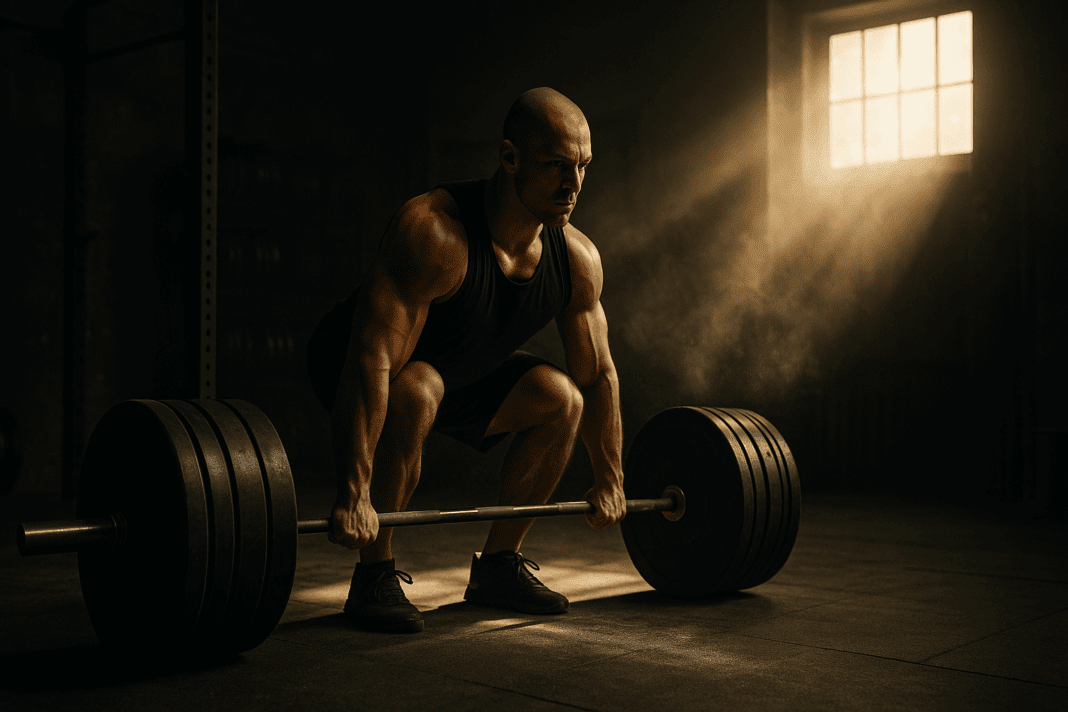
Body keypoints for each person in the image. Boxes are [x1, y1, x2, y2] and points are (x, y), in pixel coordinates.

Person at [306, 87, 625, 633]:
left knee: (561, 399)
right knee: (418, 384)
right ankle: (373, 573)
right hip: (357, 369)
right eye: (555, 167)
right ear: (510, 158)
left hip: (460, 372)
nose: (573, 186)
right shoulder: (433, 232)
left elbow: (596, 376)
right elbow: (371, 361)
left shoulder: (576, 259)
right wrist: (352, 494)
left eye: (582, 167)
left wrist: (610, 477)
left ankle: (498, 566)